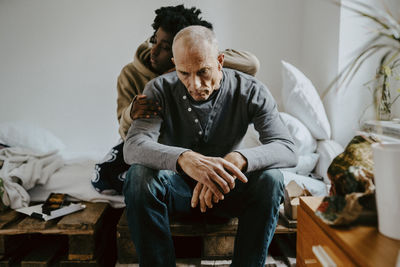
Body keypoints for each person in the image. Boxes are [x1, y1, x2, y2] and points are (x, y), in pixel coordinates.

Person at [123, 25, 297, 267]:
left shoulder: (251, 90)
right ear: (174, 64)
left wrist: (237, 159)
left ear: (220, 61)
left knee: (272, 178)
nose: (194, 84)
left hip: (228, 192)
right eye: (184, 73)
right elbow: (133, 146)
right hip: (179, 194)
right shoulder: (158, 88)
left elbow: (286, 148)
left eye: (203, 71)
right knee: (138, 176)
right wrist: (185, 159)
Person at [91, 5, 260, 195]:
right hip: (155, 145)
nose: (154, 51)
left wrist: (198, 62)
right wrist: (131, 113)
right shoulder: (131, 74)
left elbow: (251, 64)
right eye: (154, 41)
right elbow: (125, 133)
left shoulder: (200, 72)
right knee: (107, 175)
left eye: (164, 48)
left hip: (191, 142)